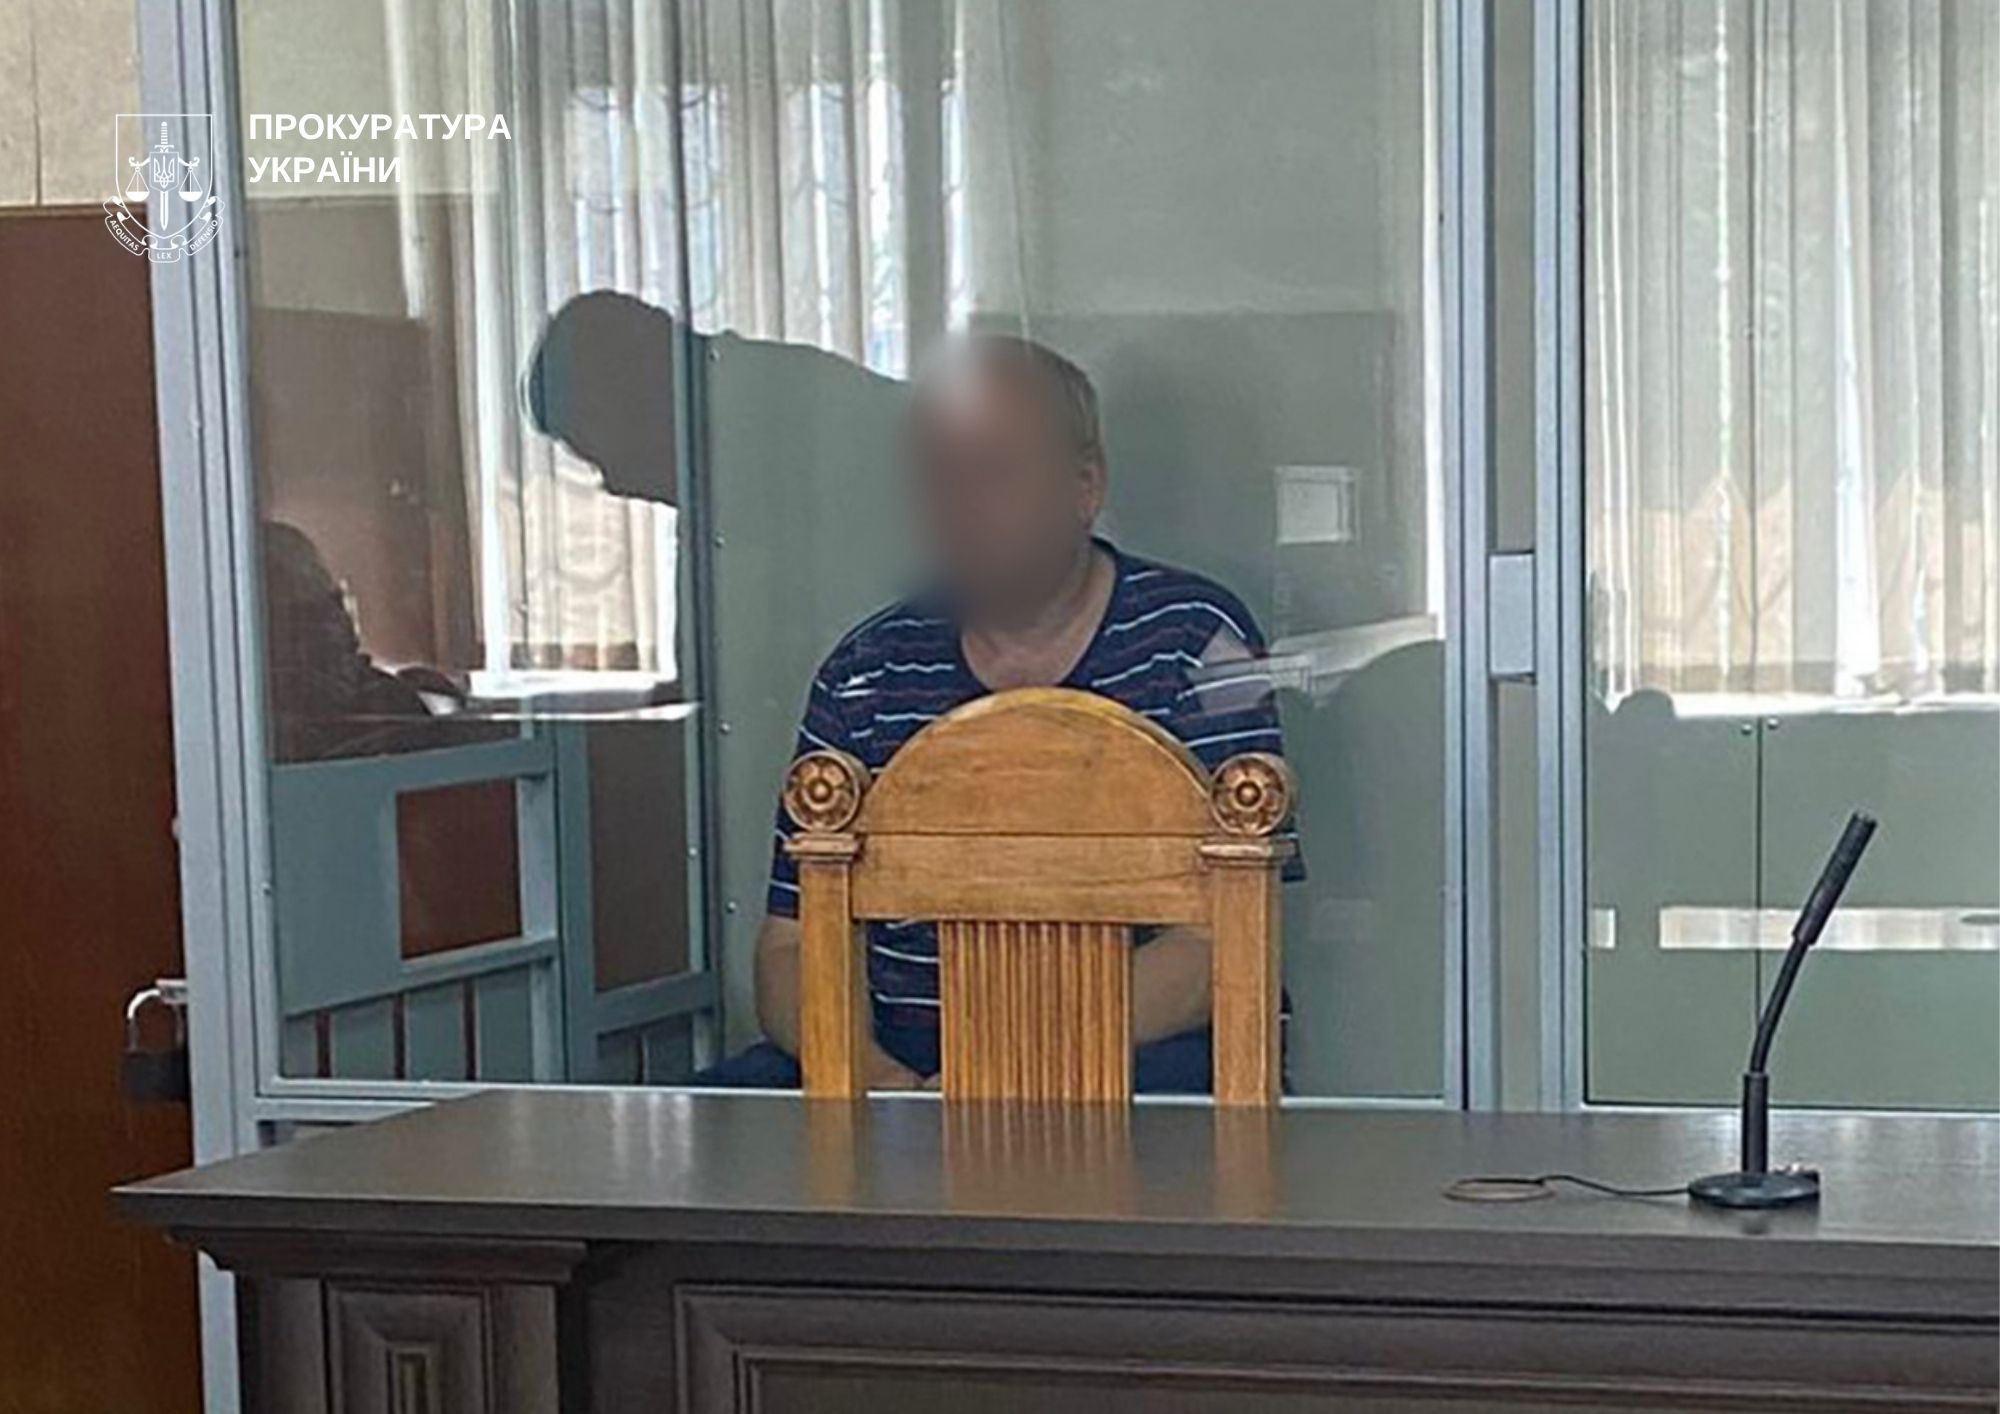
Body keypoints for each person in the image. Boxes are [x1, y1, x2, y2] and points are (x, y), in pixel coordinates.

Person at [695, 335, 1297, 1093]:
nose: (960, 508)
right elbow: (789, 947)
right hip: (900, 1064)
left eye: (994, 472)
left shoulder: (1197, 642)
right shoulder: (865, 671)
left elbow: (1223, 944)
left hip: (1119, 1053)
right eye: (937, 476)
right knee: (696, 1130)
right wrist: (881, 1086)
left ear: (1085, 486)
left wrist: (995, 1070)